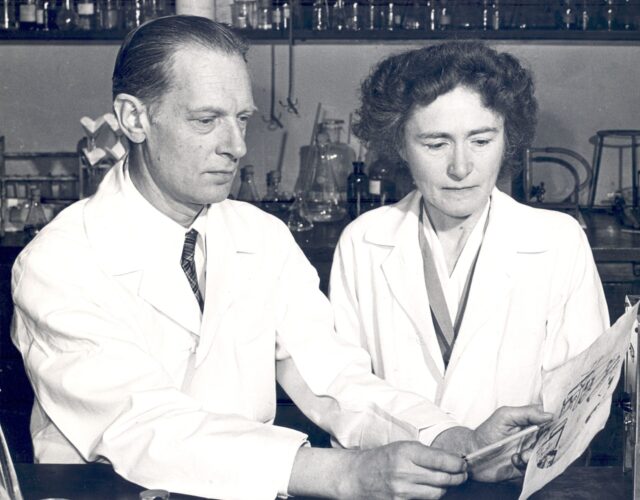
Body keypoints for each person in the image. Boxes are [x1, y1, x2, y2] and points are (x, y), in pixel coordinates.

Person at [11, 19, 549, 500]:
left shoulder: (260, 236)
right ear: (134, 118)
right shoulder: (59, 261)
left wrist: (450, 437)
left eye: (241, 118)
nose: (237, 145)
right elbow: (145, 425)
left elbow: (332, 376)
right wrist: (343, 474)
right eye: (207, 120)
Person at [330, 41, 609, 464]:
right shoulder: (364, 240)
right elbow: (343, 388)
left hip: (518, 482)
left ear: (507, 139)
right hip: (400, 481)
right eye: (436, 143)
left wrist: (513, 457)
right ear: (401, 146)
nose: (461, 168)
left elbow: (582, 395)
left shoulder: (558, 240)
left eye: (481, 140)